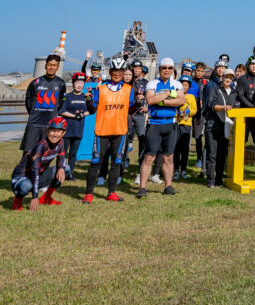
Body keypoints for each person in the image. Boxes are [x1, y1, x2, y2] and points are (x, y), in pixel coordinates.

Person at [83, 56, 135, 203]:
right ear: (110, 71)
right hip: (102, 131)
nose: (117, 73)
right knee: (95, 161)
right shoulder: (101, 89)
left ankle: (111, 192)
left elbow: (131, 111)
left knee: (117, 162)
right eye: (114, 71)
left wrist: (138, 103)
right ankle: (89, 194)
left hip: (120, 131)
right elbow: (92, 110)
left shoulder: (128, 89)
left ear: (123, 72)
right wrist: (88, 100)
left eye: (120, 71)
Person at [136, 58, 185, 198]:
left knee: (169, 157)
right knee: (149, 157)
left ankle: (168, 186)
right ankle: (142, 188)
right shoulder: (152, 83)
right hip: (154, 124)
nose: (167, 70)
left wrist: (163, 101)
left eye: (170, 68)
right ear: (159, 69)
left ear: (173, 69)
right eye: (164, 68)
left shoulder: (177, 84)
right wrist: (168, 94)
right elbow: (150, 100)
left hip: (170, 123)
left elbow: (181, 100)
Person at [11, 115, 68, 210]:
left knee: (66, 169)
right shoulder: (40, 146)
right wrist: (35, 197)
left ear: (63, 133)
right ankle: (17, 202)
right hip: (22, 176)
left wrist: (61, 168)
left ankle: (46, 198)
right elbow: (35, 171)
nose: (55, 134)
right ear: (48, 131)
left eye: (58, 131)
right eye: (52, 130)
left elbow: (62, 157)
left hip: (38, 174)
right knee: (26, 186)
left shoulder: (61, 141)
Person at [21, 53, 66, 153]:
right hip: (34, 124)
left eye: (54, 65)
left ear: (58, 67)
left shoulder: (61, 83)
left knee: (45, 154)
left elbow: (61, 101)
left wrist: (53, 114)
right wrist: (34, 114)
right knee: (28, 153)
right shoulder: (35, 82)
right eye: (50, 65)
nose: (51, 67)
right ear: (45, 66)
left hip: (49, 126)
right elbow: (28, 101)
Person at [204, 70, 236, 186]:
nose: (228, 80)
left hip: (226, 126)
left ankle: (219, 180)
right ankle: (210, 180)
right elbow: (211, 105)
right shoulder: (215, 89)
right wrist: (223, 107)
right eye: (226, 77)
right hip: (213, 125)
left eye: (230, 78)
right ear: (222, 78)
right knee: (212, 153)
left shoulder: (234, 92)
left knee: (222, 154)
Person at [236, 55, 255, 171]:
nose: (254, 67)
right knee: (241, 141)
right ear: (248, 66)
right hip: (244, 115)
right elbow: (240, 95)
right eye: (252, 64)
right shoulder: (242, 79)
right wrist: (250, 106)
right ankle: (238, 164)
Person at [59, 71, 88, 178]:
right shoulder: (67, 96)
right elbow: (62, 111)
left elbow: (91, 110)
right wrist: (74, 116)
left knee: (73, 154)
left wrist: (82, 114)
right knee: (62, 153)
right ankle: (60, 172)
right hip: (67, 130)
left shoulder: (85, 97)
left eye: (81, 83)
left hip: (78, 130)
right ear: (73, 83)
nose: (79, 85)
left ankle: (69, 173)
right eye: (77, 83)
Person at [173, 74, 198, 181]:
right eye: (182, 85)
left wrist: (188, 112)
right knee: (176, 148)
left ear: (189, 86)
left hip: (187, 125)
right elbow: (172, 108)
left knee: (185, 148)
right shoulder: (175, 95)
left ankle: (183, 169)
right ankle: (175, 170)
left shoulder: (191, 97)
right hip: (176, 124)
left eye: (186, 85)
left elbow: (195, 110)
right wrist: (177, 113)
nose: (184, 87)